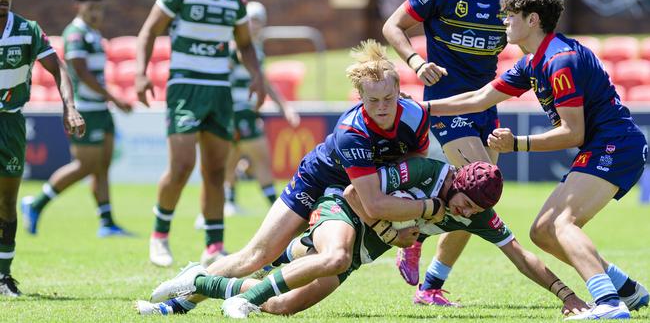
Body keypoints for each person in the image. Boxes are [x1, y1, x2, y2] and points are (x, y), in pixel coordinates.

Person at [138, 39, 435, 312]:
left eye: (388, 98)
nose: (382, 107)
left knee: (303, 285)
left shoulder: (414, 117)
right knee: (256, 256)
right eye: (373, 101)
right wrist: (392, 230)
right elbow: (369, 200)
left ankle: (262, 267)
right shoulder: (351, 130)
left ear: (399, 91)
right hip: (317, 179)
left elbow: (411, 166)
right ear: (359, 97)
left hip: (349, 193)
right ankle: (180, 301)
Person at [421, 0, 648, 320]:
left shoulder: (560, 61)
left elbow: (573, 132)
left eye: (510, 16)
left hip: (615, 145)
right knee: (542, 230)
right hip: (604, 146)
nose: (504, 22)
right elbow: (478, 98)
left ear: (533, 20)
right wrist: (420, 109)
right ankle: (627, 291)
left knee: (564, 224)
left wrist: (517, 144)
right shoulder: (532, 63)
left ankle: (608, 303)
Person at [136, 157, 588, 318]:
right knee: (324, 256)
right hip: (343, 213)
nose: (466, 214)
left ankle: (198, 283)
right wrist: (395, 230)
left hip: (360, 253)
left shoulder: (477, 215)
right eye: (465, 203)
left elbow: (518, 255)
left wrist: (565, 293)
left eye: (475, 211)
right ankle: (218, 291)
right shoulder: (425, 171)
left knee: (280, 305)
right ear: (455, 182)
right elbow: (357, 191)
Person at [382, 0, 516, 305]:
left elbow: (535, 44)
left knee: (479, 199)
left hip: (486, 107)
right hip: (446, 106)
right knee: (479, 195)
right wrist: (417, 62)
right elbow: (392, 26)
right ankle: (414, 242)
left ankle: (429, 284)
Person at [134, 0, 266, 267]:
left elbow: (245, 44)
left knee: (217, 171)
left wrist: (257, 76)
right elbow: (149, 31)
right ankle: (160, 236)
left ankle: (213, 245)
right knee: (181, 166)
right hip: (185, 88)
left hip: (219, 91)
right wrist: (141, 73)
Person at [21, 0, 133, 238]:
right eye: (90, 8)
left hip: (101, 109)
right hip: (86, 109)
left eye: (99, 8)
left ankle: (107, 223)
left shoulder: (94, 34)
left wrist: (108, 100)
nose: (95, 13)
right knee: (84, 166)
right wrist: (114, 97)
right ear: (78, 7)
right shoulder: (75, 33)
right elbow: (80, 72)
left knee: (103, 166)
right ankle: (35, 204)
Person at [0, 0, 85, 297]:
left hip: (10, 123)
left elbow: (58, 68)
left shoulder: (27, 30)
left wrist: (70, 106)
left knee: (6, 202)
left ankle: (3, 276)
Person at [218, 1, 300, 217]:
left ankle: (230, 202)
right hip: (237, 110)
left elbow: (263, 81)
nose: (254, 25)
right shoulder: (238, 45)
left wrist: (284, 107)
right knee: (260, 157)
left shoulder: (255, 49)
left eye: (258, 21)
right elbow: (225, 67)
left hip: (245, 110)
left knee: (235, 156)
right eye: (250, 20)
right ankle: (276, 206)